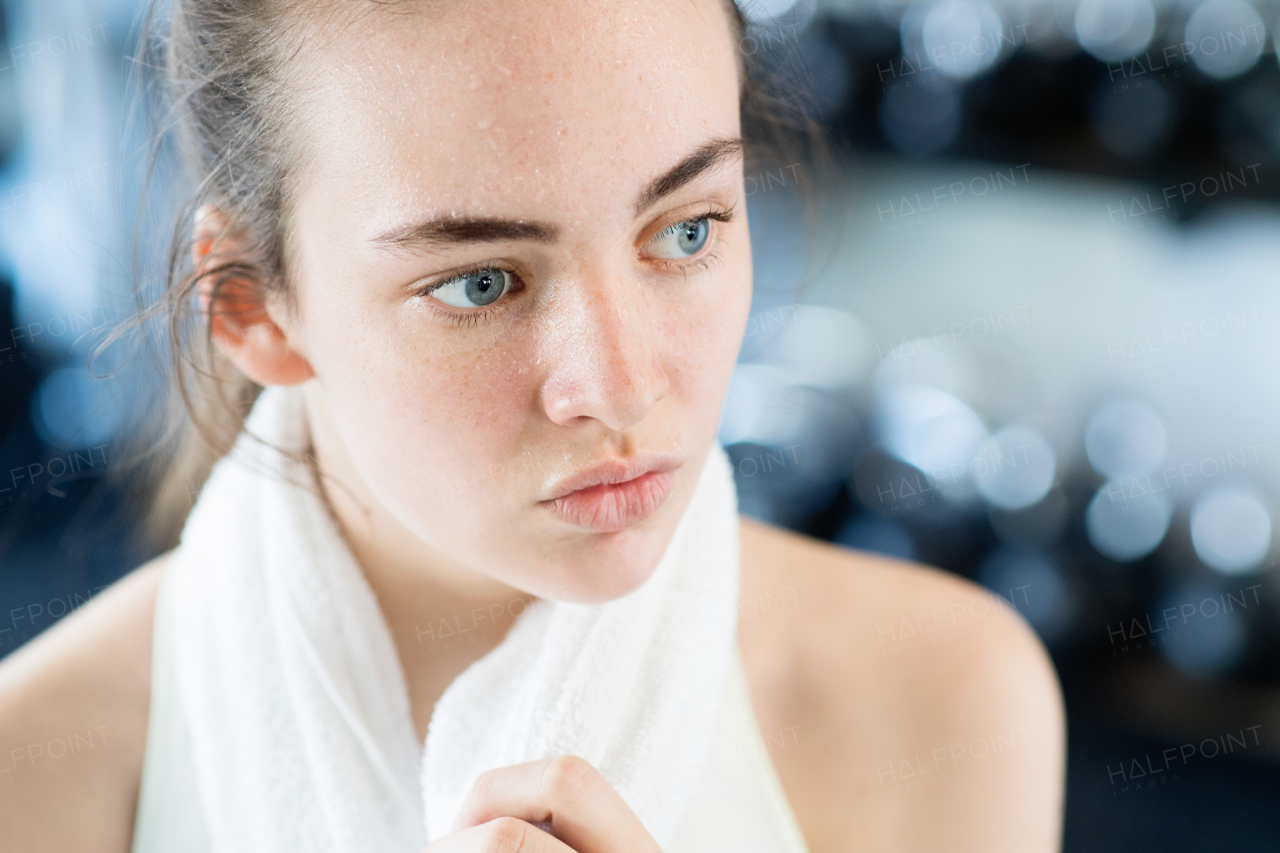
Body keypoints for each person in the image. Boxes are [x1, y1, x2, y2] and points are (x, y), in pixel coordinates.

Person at [0, 0, 1066, 851]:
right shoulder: (31, 772)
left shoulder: (939, 697)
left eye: (686, 229)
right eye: (479, 283)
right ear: (249, 306)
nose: (621, 387)